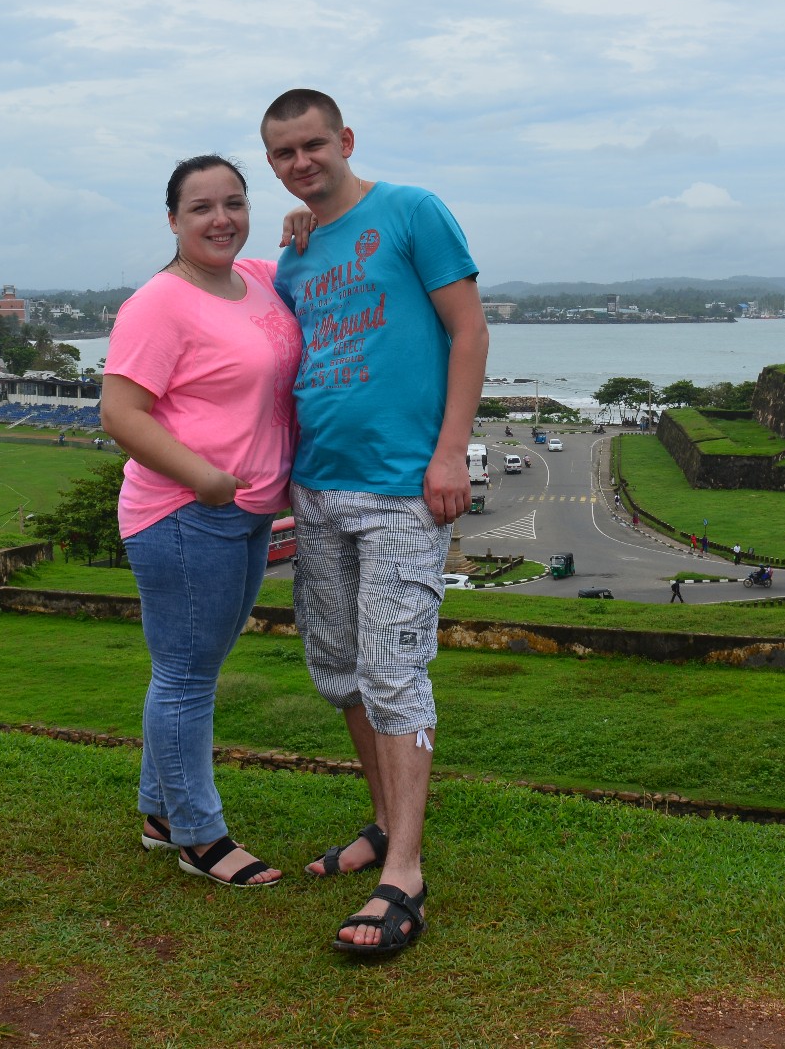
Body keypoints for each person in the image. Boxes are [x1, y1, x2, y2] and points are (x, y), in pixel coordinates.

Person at [264, 88, 486, 957]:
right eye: (283, 154)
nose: (300, 163)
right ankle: (391, 823)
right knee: (340, 668)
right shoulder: (299, 250)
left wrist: (451, 453)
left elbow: (467, 332)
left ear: (345, 138)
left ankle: (405, 874)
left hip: (402, 487)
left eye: (313, 145)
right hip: (319, 485)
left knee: (394, 669)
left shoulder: (412, 211)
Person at [100, 155, 300, 890]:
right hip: (186, 511)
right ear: (174, 219)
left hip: (244, 512)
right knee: (185, 677)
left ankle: (160, 811)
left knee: (192, 671)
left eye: (235, 203)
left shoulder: (256, 279)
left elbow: (304, 270)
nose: (221, 218)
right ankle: (198, 834)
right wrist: (206, 480)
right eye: (202, 208)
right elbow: (120, 412)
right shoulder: (159, 302)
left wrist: (303, 226)